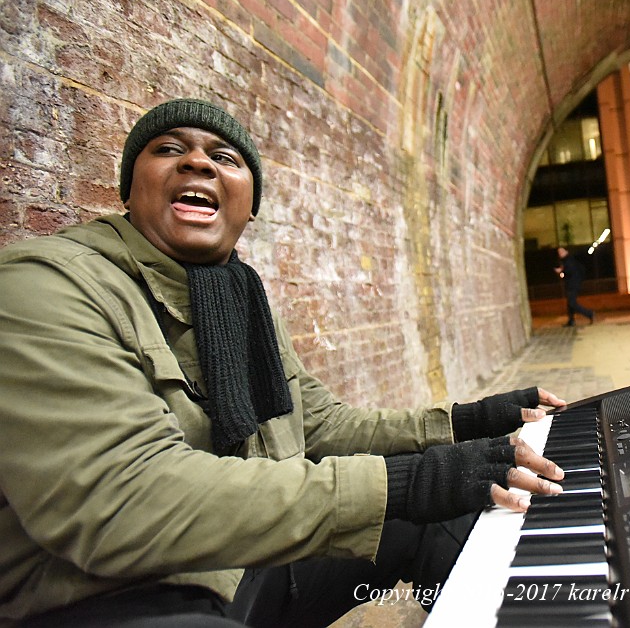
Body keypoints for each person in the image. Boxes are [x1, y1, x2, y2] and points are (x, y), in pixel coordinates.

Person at [0, 98, 568, 627]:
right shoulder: (47, 284)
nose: (197, 161)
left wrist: (466, 424)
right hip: (115, 596)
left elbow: (319, 424)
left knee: (450, 517)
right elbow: (120, 498)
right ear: (129, 191)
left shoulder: (238, 298)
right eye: (169, 149)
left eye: (224, 157)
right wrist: (402, 483)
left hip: (242, 564)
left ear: (249, 209)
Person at [554, 246, 595, 327]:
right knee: (570, 303)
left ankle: (589, 313)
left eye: (562, 251)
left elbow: (570, 270)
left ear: (566, 251)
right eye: (559, 252)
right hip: (571, 284)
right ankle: (571, 320)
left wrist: (561, 270)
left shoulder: (569, 260)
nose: (560, 254)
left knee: (572, 303)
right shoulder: (566, 260)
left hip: (573, 284)